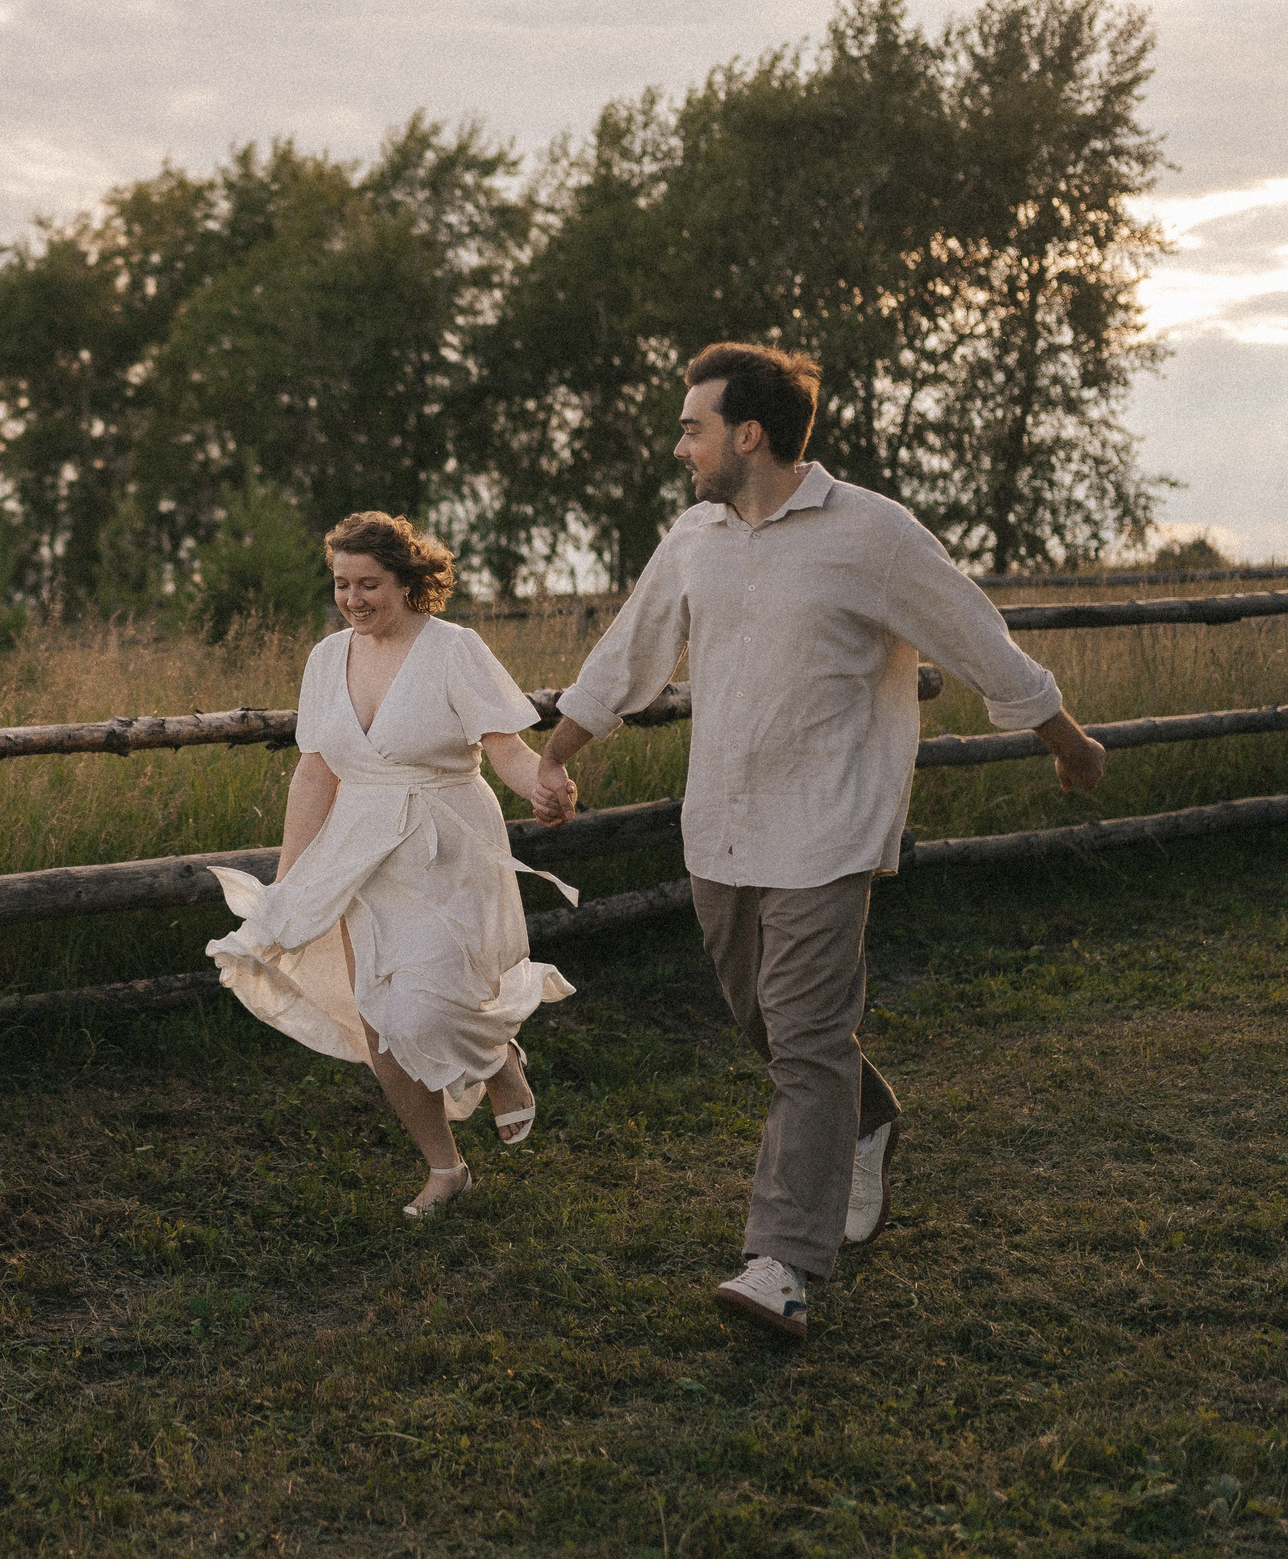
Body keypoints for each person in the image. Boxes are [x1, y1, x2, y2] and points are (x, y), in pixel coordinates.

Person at [532, 342, 1107, 1341]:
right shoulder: (695, 536)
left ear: (748, 434)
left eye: (693, 428)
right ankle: (865, 1115)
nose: (680, 447)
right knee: (770, 1024)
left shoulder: (872, 533)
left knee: (803, 1038)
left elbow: (976, 637)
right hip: (721, 825)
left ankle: (783, 1264)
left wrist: (1066, 738)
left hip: (829, 824)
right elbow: (627, 653)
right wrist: (556, 752)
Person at [208, 511, 580, 1217]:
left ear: (408, 581)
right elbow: (314, 773)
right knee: (381, 1017)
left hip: (445, 844)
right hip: (359, 852)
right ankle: (444, 1168)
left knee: (432, 1002)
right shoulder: (326, 659)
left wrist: (540, 785)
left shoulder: (454, 649)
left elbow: (504, 748)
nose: (353, 599)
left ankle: (498, 1059)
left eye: (369, 584)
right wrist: (289, 881)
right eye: (342, 584)